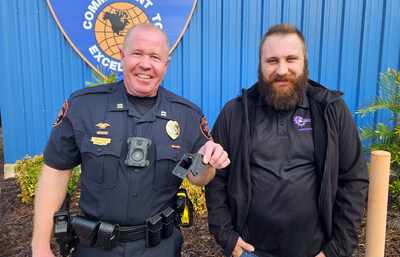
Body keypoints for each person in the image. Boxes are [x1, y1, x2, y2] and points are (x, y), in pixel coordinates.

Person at [31, 23, 230, 257]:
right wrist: (40, 245)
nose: (145, 64)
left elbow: (198, 179)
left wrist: (207, 161)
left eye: (155, 56)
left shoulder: (187, 115)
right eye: (137, 53)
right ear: (122, 57)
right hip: (95, 248)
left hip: (160, 248)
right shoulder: (84, 106)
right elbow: (55, 171)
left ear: (165, 65)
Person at [205, 23, 369, 257]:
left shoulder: (330, 111)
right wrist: (227, 238)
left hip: (315, 252)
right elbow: (216, 178)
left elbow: (353, 180)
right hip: (250, 251)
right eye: (272, 61)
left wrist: (336, 250)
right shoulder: (235, 113)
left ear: (304, 61)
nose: (281, 70)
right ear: (260, 64)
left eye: (291, 59)